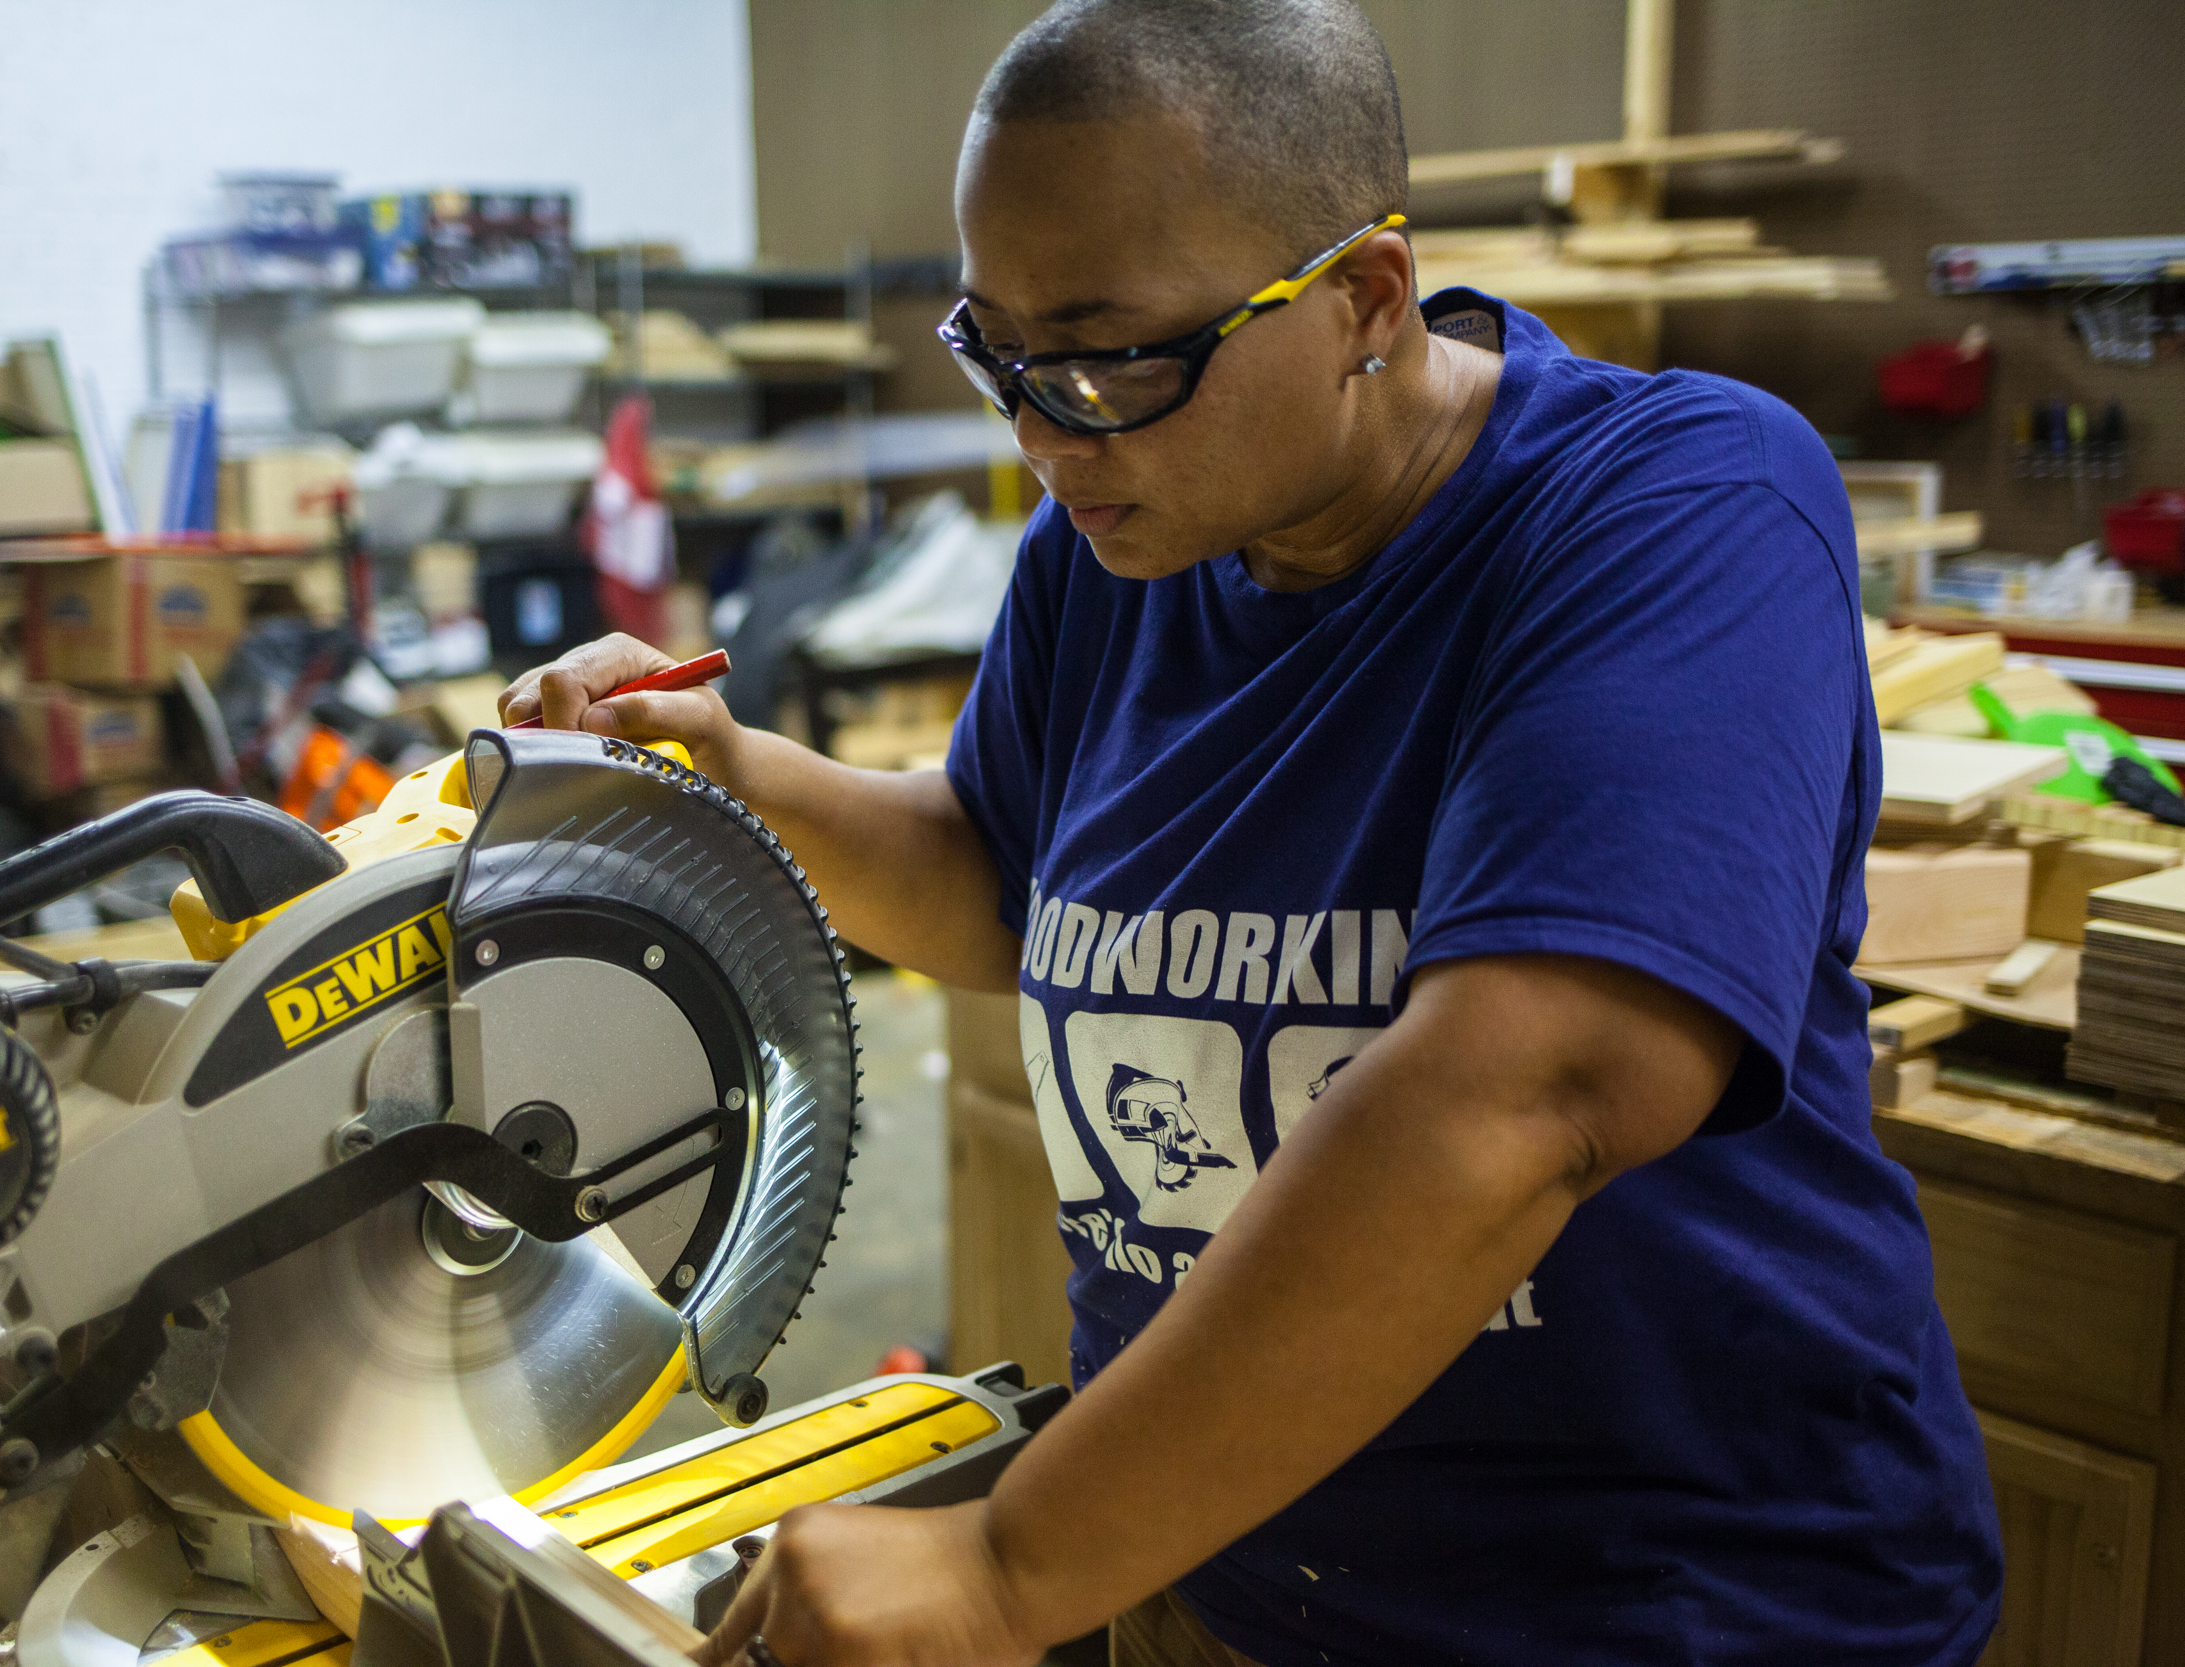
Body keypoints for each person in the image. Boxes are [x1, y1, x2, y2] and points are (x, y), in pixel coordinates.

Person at [499, 3, 2005, 1661]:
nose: (1044, 436)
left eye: (1108, 358)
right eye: (995, 354)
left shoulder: (1674, 508)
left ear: (1364, 299)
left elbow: (1530, 1090)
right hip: (1238, 1570)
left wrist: (1009, 1566)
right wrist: (733, 771)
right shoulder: (1120, 539)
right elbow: (1006, 881)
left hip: (1664, 1607)